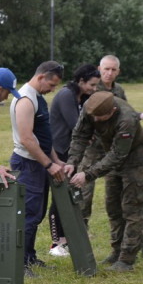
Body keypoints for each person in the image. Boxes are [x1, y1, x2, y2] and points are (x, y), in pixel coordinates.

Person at [64, 91, 143, 273]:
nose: (95, 120)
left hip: (136, 158)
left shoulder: (127, 118)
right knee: (113, 206)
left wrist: (87, 175)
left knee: (132, 207)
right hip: (111, 155)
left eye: (100, 117)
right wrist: (72, 162)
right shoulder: (91, 109)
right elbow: (80, 136)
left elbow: (118, 155)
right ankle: (116, 250)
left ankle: (127, 259)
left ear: (112, 111)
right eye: (93, 117)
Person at [9, 61, 65, 276]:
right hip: (27, 164)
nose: (52, 90)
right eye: (51, 84)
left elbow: (43, 136)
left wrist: (56, 160)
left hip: (38, 162)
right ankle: (19, 264)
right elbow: (26, 139)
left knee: (37, 213)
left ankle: (30, 257)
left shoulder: (38, 97)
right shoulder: (25, 99)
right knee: (27, 214)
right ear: (41, 77)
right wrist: (48, 164)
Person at [46, 63, 101, 256]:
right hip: (58, 153)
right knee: (58, 197)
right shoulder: (65, 95)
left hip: (72, 154)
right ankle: (56, 243)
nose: (94, 89)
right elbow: (77, 125)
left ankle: (68, 238)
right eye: (91, 85)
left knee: (70, 195)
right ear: (81, 81)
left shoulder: (82, 96)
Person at [80, 54, 127, 225]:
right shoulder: (91, 88)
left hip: (112, 147)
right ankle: (82, 227)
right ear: (99, 69)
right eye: (106, 69)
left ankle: (117, 225)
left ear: (118, 72)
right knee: (85, 189)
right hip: (92, 148)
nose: (109, 73)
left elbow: (125, 115)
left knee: (114, 188)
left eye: (113, 70)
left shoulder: (119, 90)